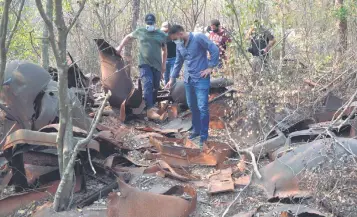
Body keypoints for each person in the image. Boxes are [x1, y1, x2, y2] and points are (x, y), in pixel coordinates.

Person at [165, 25, 219, 148]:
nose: (174, 41)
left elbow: (214, 49)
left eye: (174, 38)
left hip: (201, 78)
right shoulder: (179, 44)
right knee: (192, 105)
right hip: (188, 79)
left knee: (202, 107)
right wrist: (172, 78)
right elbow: (178, 61)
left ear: (180, 33)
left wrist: (210, 67)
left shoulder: (198, 37)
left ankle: (204, 136)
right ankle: (196, 130)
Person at [116, 13, 168, 121]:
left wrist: (163, 65)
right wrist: (120, 47)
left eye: (151, 23)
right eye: (148, 23)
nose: (150, 25)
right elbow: (128, 37)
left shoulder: (160, 34)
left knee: (155, 86)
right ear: (146, 23)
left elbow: (164, 50)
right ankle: (149, 109)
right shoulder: (140, 31)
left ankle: (151, 106)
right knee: (147, 83)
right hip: (144, 63)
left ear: (155, 23)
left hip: (157, 65)